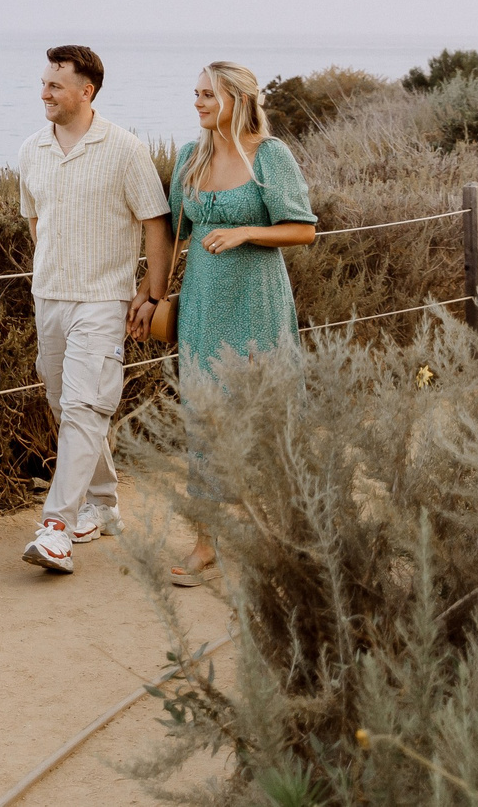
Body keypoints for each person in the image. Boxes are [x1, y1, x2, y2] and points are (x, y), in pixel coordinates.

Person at [16, 45, 173, 575]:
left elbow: (156, 223)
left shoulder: (125, 149)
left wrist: (151, 294)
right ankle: (102, 503)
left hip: (105, 299)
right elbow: (35, 220)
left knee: (85, 408)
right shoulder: (31, 149)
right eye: (43, 84)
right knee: (66, 404)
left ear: (87, 91)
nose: (44, 94)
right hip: (49, 297)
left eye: (55, 86)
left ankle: (54, 527)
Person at [165, 60, 316, 585]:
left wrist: (246, 232)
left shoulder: (269, 156)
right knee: (204, 413)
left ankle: (276, 535)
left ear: (239, 100)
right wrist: (147, 295)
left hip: (257, 300)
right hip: (202, 301)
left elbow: (303, 231)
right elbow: (171, 232)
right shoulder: (190, 155)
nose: (199, 102)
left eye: (209, 94)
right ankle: (208, 544)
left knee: (262, 412)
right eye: (197, 92)